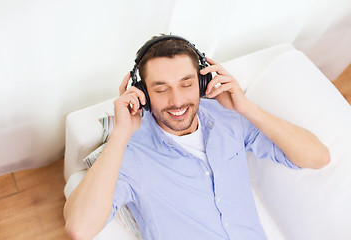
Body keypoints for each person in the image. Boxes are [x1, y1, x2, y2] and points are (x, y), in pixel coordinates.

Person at [63, 35, 330, 240]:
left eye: (187, 84)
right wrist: (120, 135)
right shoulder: (129, 152)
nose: (177, 100)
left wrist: (245, 107)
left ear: (202, 82)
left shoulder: (228, 117)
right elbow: (79, 229)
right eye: (161, 89)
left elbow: (318, 157)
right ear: (142, 94)